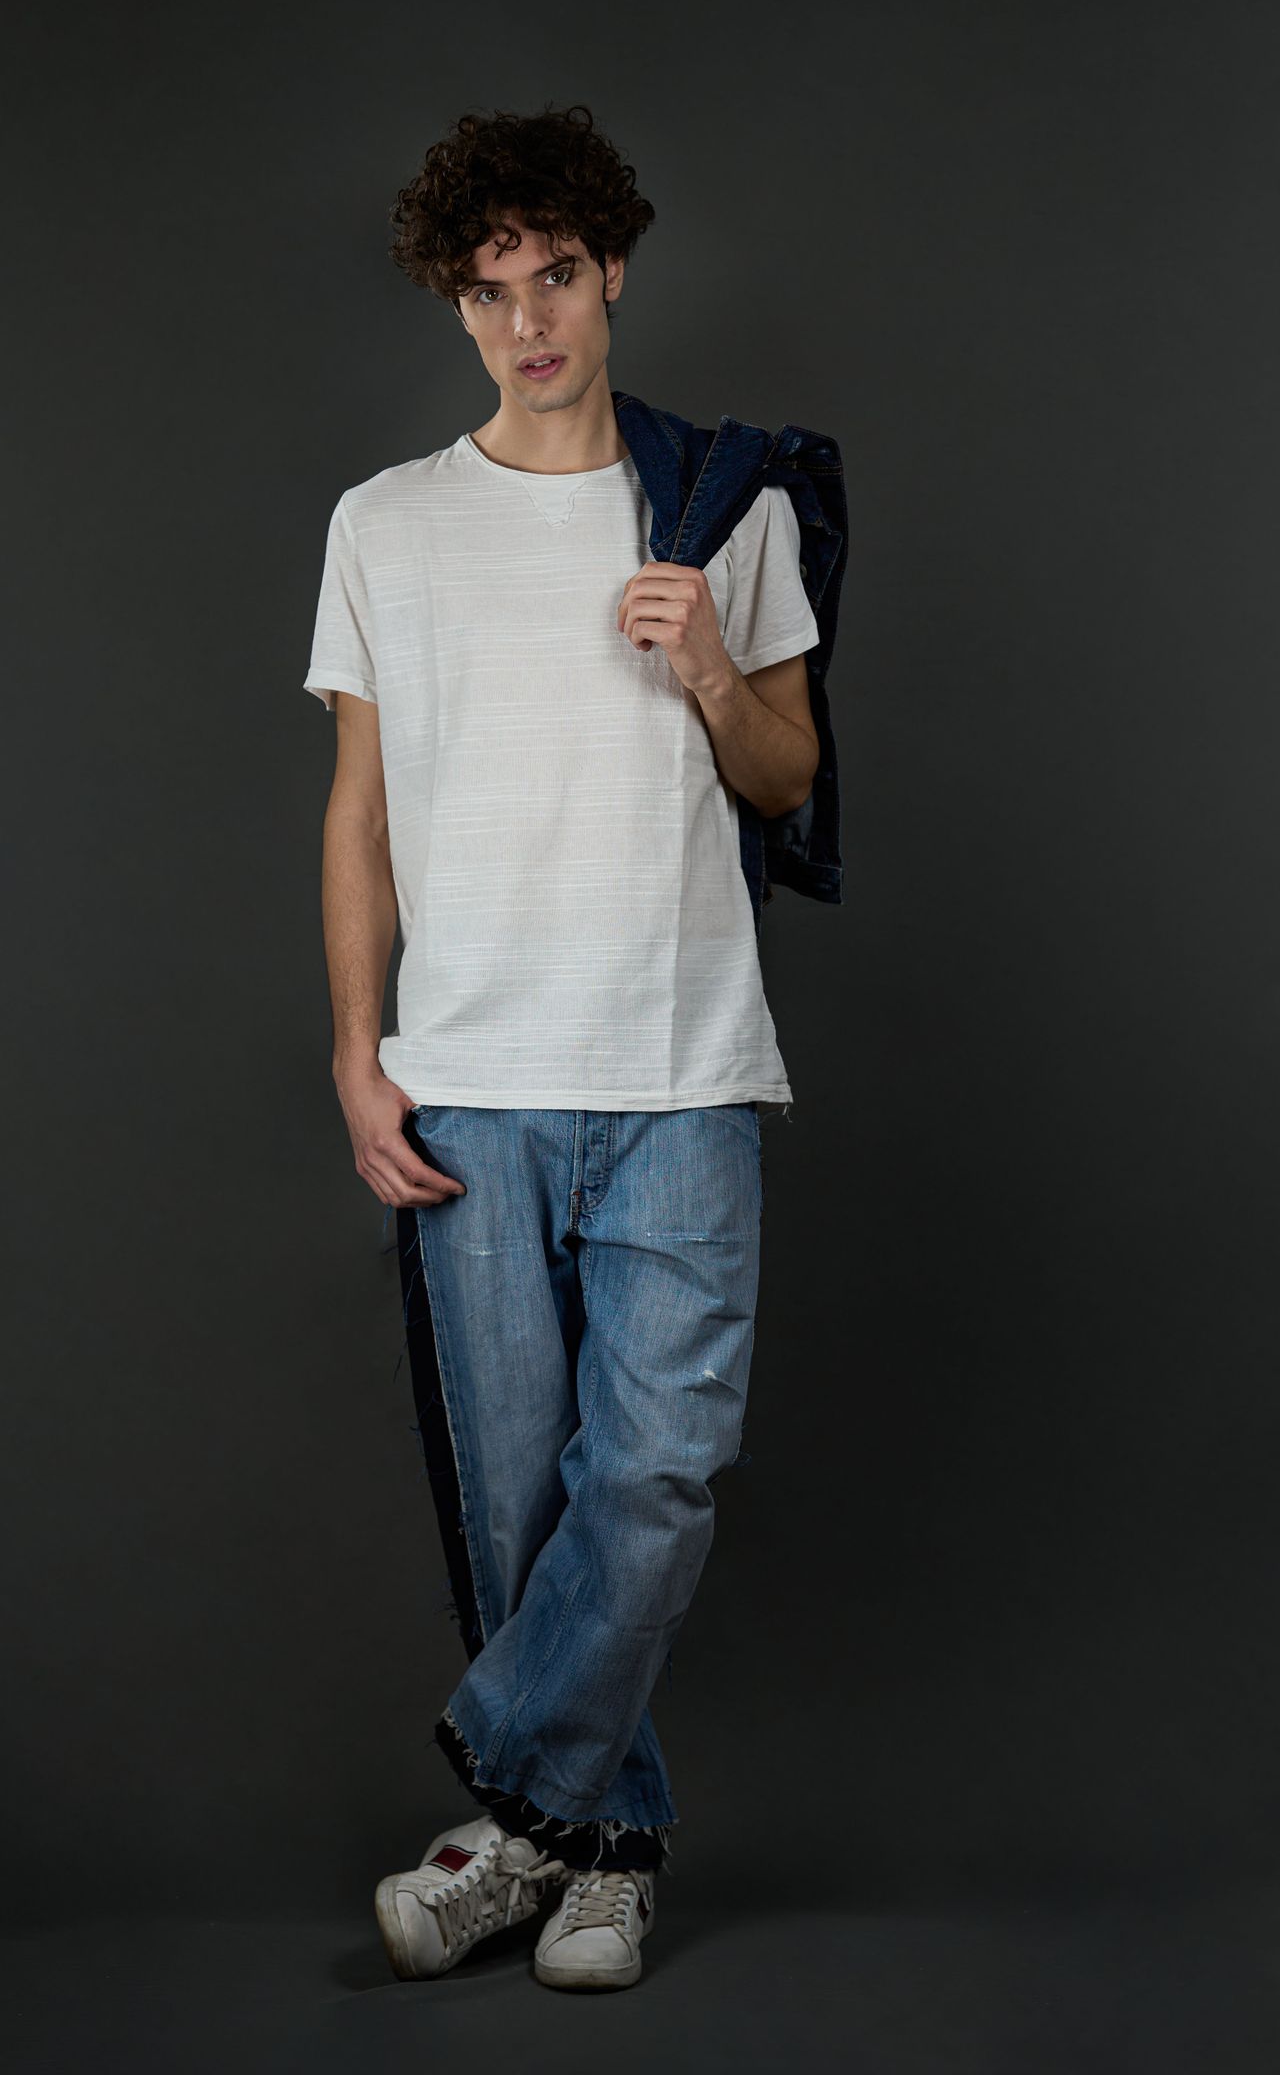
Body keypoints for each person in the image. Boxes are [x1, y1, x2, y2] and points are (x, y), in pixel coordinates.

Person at [304, 103, 822, 1992]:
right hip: (471, 1081)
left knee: (657, 1468)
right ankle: (604, 1854)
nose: (527, 322)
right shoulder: (386, 523)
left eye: (558, 277)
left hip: (685, 1069)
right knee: (519, 1501)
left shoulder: (722, 509)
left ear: (614, 274)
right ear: (457, 306)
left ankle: (508, 1820)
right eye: (488, 290)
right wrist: (358, 1054)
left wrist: (708, 666)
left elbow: (790, 773)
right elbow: (359, 814)